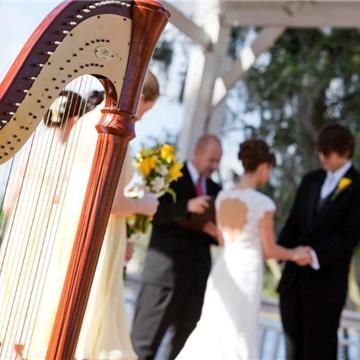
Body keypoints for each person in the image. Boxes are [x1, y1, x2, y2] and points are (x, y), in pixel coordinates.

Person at [22, 71, 160, 360]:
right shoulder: (116, 132)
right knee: (92, 303)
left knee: (61, 290)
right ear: (139, 96)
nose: (143, 116)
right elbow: (111, 203)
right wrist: (145, 204)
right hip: (100, 231)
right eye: (147, 109)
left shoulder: (83, 123)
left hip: (69, 224)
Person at [174, 138, 310, 360]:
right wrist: (295, 253)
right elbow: (269, 250)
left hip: (223, 269)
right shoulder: (263, 204)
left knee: (214, 326)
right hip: (246, 272)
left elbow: (222, 241)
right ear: (265, 167)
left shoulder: (223, 197)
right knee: (240, 329)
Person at [131, 134, 223, 360]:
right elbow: (154, 214)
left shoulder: (216, 190)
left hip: (196, 281)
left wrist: (214, 232)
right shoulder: (168, 176)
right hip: (163, 277)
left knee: (181, 348)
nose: (215, 166)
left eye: (218, 160)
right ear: (197, 153)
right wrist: (186, 207)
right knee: (143, 346)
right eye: (211, 159)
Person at [278, 124, 360, 360]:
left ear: (345, 151)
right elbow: (292, 224)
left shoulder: (357, 187)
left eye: (328, 152)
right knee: (292, 352)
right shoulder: (310, 180)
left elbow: (350, 235)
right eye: (320, 151)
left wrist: (313, 254)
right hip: (294, 284)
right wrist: (281, 252)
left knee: (319, 352)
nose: (322, 157)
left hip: (326, 288)